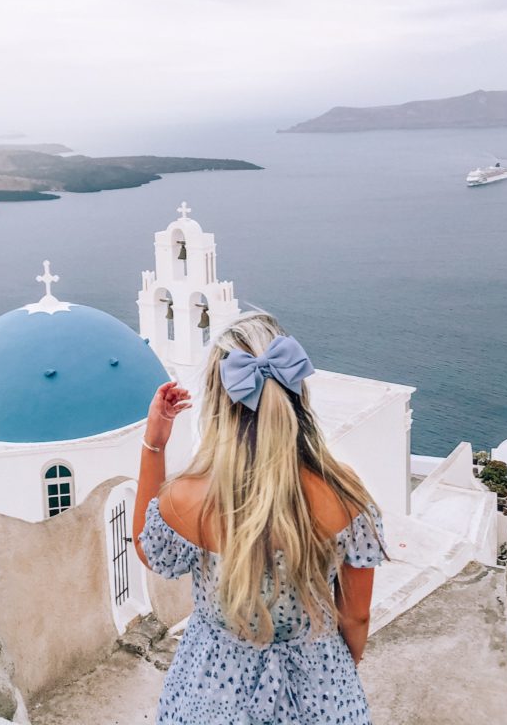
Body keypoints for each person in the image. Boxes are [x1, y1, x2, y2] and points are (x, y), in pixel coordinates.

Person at [133, 311, 387, 725]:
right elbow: (355, 615)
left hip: (212, 691)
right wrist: (341, 671)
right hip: (319, 685)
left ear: (218, 401)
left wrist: (154, 445)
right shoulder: (343, 492)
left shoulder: (186, 498)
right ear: (297, 391)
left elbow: (148, 546)